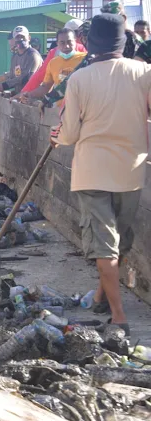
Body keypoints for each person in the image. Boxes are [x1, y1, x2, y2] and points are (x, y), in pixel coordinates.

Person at [50, 13, 151, 336]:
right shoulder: (144, 73)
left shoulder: (80, 79)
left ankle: (119, 316)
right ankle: (100, 296)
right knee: (118, 239)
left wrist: (58, 135)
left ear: (91, 44)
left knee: (105, 244)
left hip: (92, 171)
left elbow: (68, 135)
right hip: (130, 171)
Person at [20, 19, 86, 95]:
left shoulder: (86, 54)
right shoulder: (54, 56)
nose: (66, 46)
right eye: (62, 42)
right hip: (60, 102)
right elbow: (43, 81)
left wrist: (24, 92)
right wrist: (25, 93)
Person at [0, 26, 43, 94]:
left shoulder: (33, 55)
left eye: (23, 36)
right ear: (15, 40)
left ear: (29, 38)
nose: (20, 39)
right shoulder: (15, 57)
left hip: (33, 98)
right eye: (17, 37)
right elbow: (11, 76)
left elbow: (26, 78)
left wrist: (4, 85)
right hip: (20, 96)